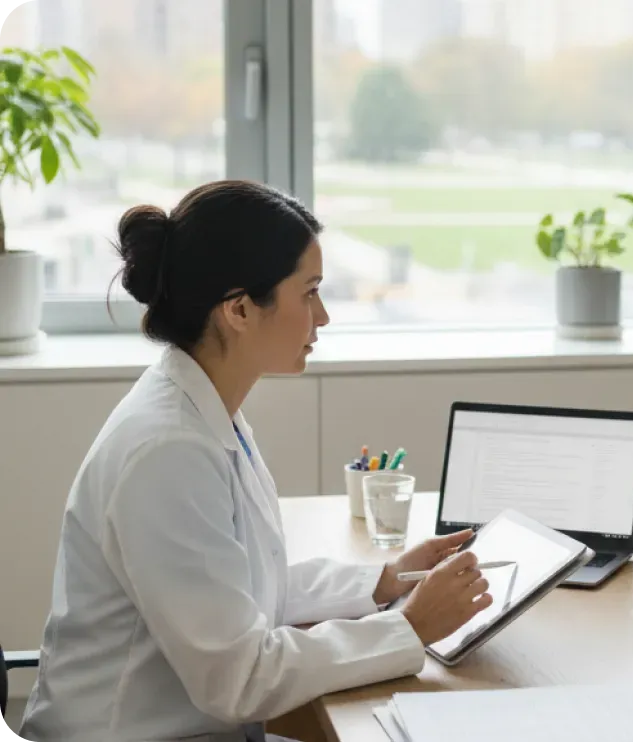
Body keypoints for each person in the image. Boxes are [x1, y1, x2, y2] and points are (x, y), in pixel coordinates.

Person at [18, 181, 495, 742]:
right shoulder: (167, 451)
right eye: (309, 292)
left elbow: (244, 585)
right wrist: (409, 627)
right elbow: (239, 678)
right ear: (240, 309)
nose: (323, 316)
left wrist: (384, 581)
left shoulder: (204, 409)